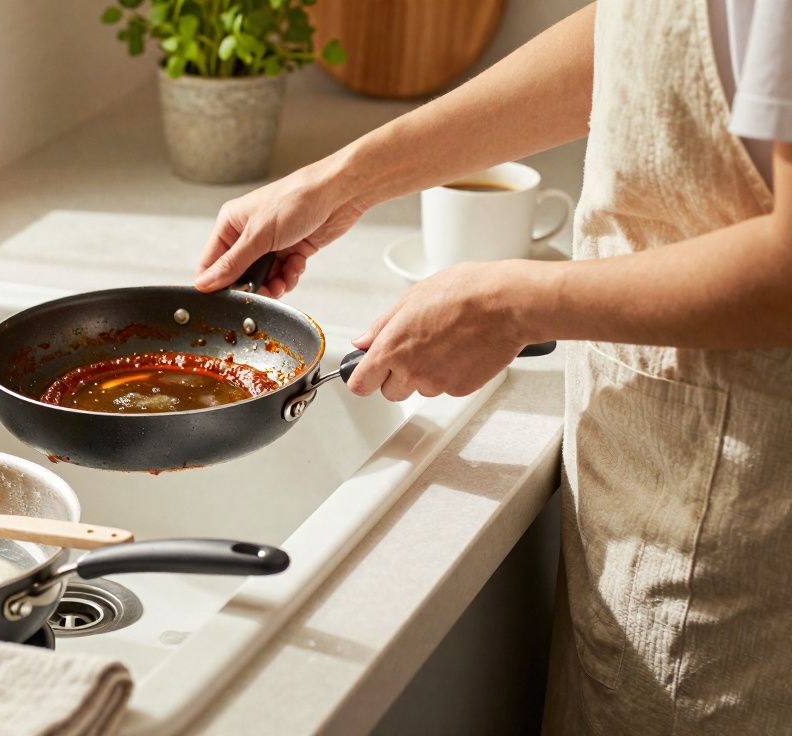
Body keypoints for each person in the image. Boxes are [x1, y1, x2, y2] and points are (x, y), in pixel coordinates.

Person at [194, 0, 792, 732]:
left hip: (748, 522)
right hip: (657, 480)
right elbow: (641, 34)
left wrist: (511, 306)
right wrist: (342, 179)